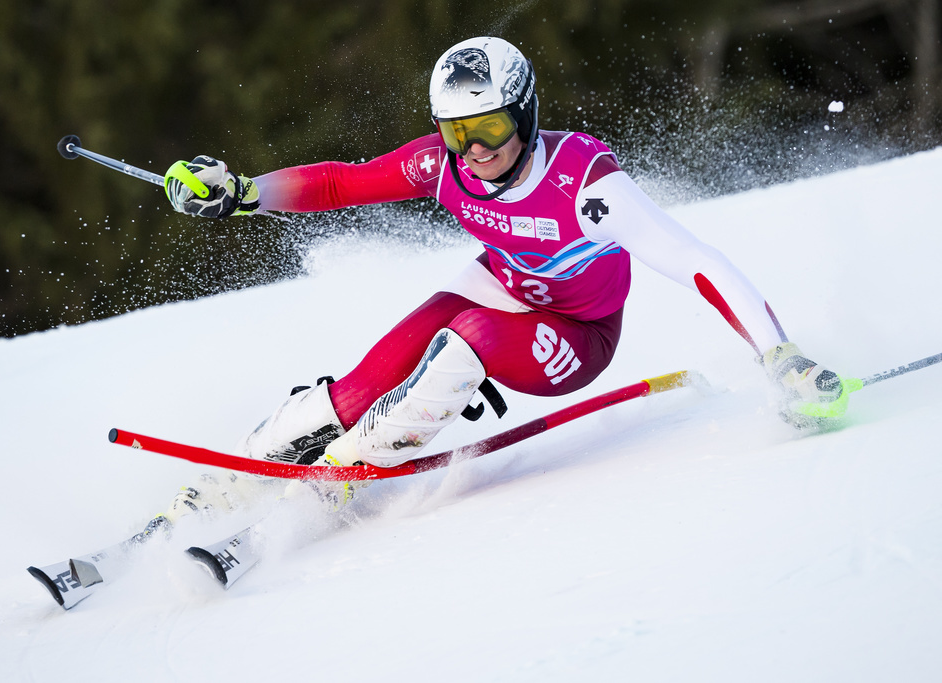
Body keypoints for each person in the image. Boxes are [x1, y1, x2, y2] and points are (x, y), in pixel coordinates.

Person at [160, 36, 853, 519]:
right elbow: (343, 183)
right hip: (503, 282)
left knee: (468, 338)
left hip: (577, 334)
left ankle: (345, 467)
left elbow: (696, 260)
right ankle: (240, 466)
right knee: (367, 379)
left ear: (524, 113)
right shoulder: (442, 164)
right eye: (458, 132)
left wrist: (779, 353)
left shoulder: (587, 183)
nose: (476, 150)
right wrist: (244, 190)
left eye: (490, 126)